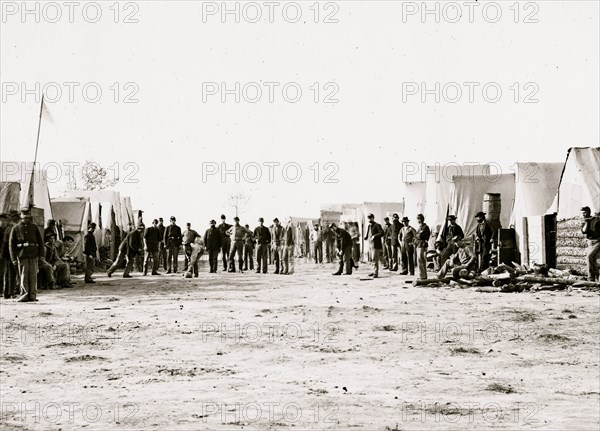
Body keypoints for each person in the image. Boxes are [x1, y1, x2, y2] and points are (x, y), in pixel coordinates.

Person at [9, 208, 44, 302]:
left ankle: (33, 295)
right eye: (24, 215)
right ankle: (24, 295)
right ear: (21, 216)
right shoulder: (16, 228)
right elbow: (11, 244)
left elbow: (40, 242)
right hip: (22, 255)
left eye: (27, 215)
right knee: (23, 276)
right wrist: (13, 258)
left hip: (33, 254)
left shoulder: (34, 227)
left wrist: (42, 255)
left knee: (33, 276)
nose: (26, 217)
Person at [2, 211, 21, 298]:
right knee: (12, 274)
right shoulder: (13, 229)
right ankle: (11, 292)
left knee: (7, 274)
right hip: (10, 253)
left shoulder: (7, 228)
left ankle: (6, 293)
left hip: (6, 254)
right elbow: (11, 243)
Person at [581, 206, 600, 281]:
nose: (583, 214)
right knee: (593, 260)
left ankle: (590, 277)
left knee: (589, 257)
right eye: (582, 213)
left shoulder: (596, 219)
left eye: (585, 212)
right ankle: (595, 277)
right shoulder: (584, 221)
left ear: (589, 212)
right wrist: (587, 222)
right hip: (590, 243)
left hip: (597, 241)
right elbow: (584, 231)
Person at [364, 213, 383, 278]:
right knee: (371, 259)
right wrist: (366, 237)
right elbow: (368, 234)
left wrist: (375, 236)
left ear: (373, 218)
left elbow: (382, 233)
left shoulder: (377, 225)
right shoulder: (369, 226)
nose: (369, 219)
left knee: (375, 259)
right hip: (370, 244)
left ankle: (376, 273)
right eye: (368, 218)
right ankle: (373, 271)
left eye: (370, 218)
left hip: (375, 245)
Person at [415, 214, 431, 280]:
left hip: (423, 245)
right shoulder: (420, 228)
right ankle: (422, 275)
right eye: (418, 219)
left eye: (420, 219)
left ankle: (423, 276)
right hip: (419, 245)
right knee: (419, 260)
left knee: (421, 260)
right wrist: (417, 235)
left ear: (422, 219)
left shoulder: (425, 227)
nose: (419, 220)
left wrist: (417, 235)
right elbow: (416, 235)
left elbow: (420, 236)